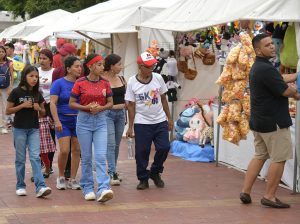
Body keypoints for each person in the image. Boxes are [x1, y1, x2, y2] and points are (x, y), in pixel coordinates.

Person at [240, 33, 297, 209]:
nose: (272, 46)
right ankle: (269, 196)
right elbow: (286, 92)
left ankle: (246, 191)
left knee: (260, 155)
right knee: (279, 158)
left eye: (272, 43)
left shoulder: (260, 67)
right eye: (267, 45)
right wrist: (294, 90)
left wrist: (296, 75)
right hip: (274, 122)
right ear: (258, 50)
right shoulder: (265, 69)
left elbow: (279, 80)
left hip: (260, 121)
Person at [125, 52, 173, 190]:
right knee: (142, 152)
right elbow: (131, 105)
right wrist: (130, 126)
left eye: (153, 66)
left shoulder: (158, 78)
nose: (152, 69)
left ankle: (155, 171)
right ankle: (143, 178)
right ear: (141, 67)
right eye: (148, 67)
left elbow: (164, 98)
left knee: (164, 147)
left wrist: (169, 118)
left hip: (159, 120)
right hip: (142, 123)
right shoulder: (132, 82)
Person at [69, 53, 114, 202]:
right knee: (87, 157)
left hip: (101, 121)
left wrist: (100, 108)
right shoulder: (80, 82)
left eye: (103, 64)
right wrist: (86, 107)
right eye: (99, 64)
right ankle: (87, 187)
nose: (102, 67)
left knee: (101, 156)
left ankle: (103, 188)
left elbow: (110, 103)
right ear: (90, 66)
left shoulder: (105, 83)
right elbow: (72, 103)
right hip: (84, 122)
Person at [5, 65, 52, 198]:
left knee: (35, 157)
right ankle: (20, 186)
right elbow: (7, 111)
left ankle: (40, 186)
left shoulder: (38, 94)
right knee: (20, 159)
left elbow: (43, 113)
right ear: (24, 76)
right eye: (31, 76)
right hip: (19, 129)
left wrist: (39, 108)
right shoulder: (16, 92)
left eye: (36, 76)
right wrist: (22, 106)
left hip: (33, 129)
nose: (34, 79)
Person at [50, 56, 81, 190]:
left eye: (80, 66)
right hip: (63, 120)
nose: (79, 69)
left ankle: (73, 179)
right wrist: (56, 121)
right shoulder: (58, 83)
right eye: (76, 66)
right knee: (64, 150)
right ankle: (61, 176)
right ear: (68, 69)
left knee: (77, 150)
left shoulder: (81, 83)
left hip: (79, 120)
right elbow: (52, 103)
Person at [101, 53, 126, 186]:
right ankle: (111, 172)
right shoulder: (102, 80)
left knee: (116, 144)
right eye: (119, 64)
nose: (121, 67)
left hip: (120, 114)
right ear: (111, 66)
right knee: (110, 144)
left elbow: (126, 97)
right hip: (107, 114)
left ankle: (113, 169)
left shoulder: (122, 79)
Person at [38, 49, 56, 173]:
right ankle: (41, 164)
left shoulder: (55, 72)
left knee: (51, 135)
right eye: (40, 58)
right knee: (39, 136)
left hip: (52, 105)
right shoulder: (35, 71)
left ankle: (49, 163)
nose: (42, 60)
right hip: (38, 106)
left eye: (44, 58)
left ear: (50, 60)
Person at [0, 46, 14, 134]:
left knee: (5, 107)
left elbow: (12, 76)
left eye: (2, 51)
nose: (0, 53)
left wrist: (10, 87)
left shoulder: (9, 62)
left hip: (6, 88)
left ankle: (4, 125)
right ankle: (1, 125)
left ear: (5, 53)